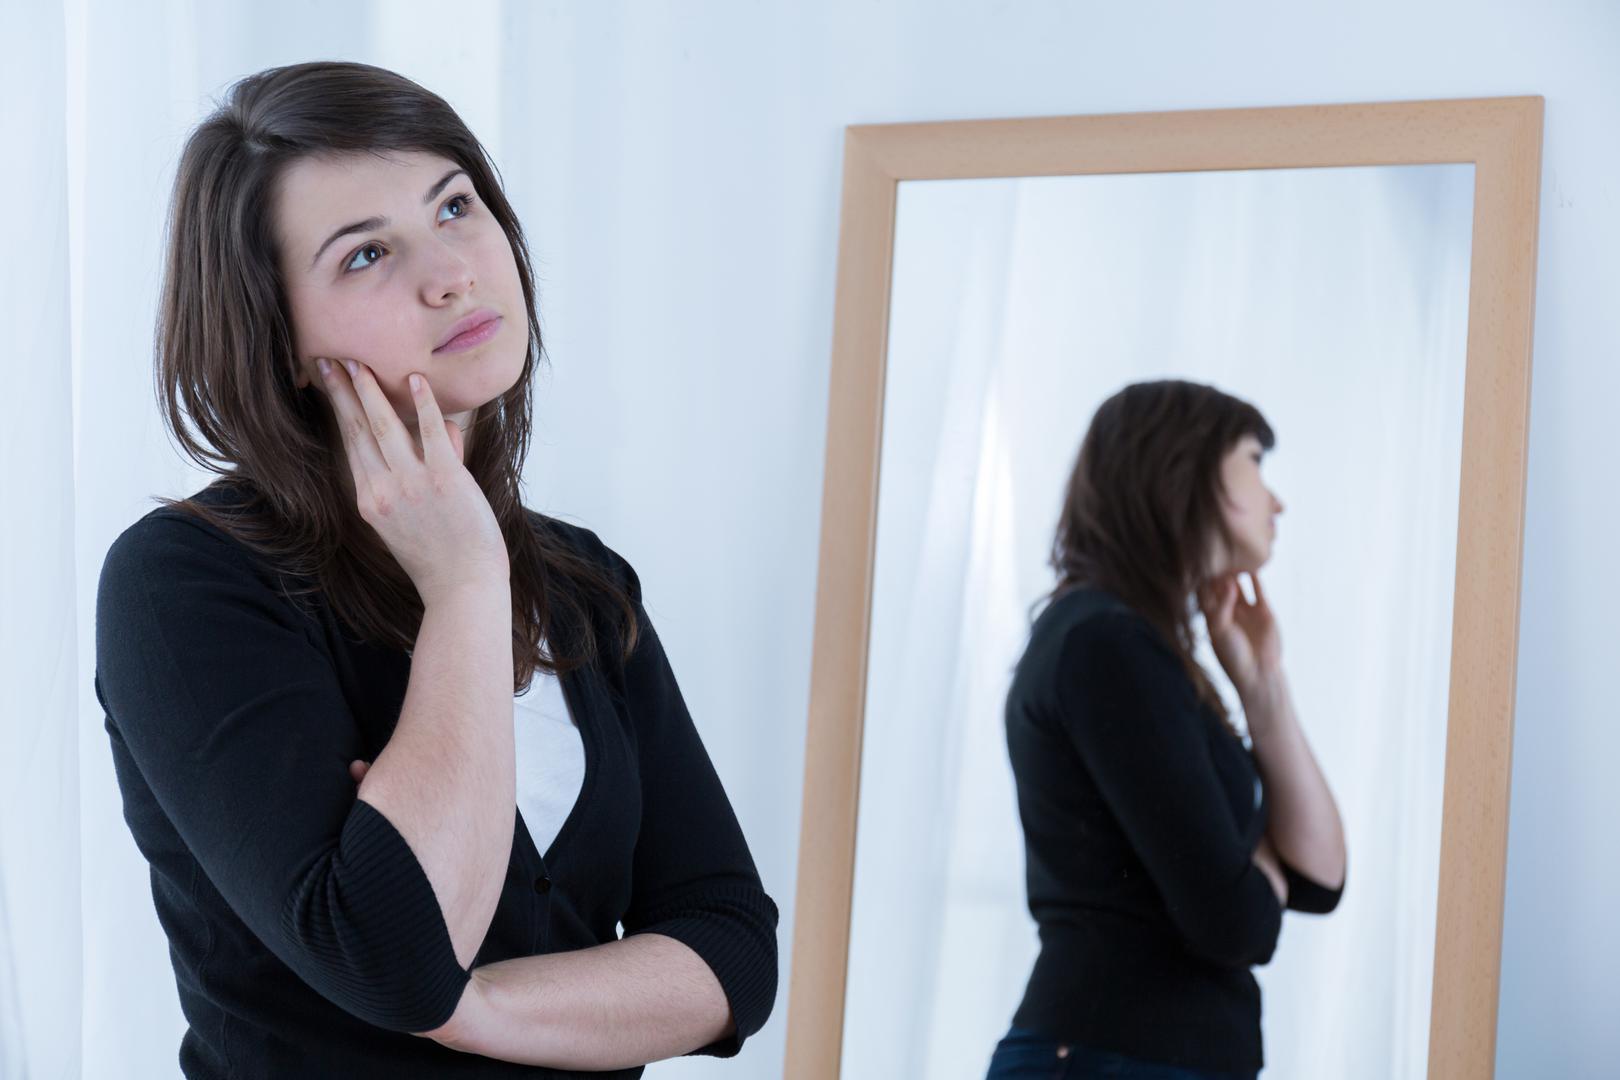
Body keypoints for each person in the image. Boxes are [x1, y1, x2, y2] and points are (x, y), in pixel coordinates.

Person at [93, 60, 777, 1079]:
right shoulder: (184, 583)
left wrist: (477, 1009)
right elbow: (386, 953)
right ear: (276, 337)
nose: (450, 270)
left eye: (454, 205)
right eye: (366, 253)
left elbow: (731, 947)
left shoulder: (582, 583)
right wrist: (463, 590)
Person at [986, 380, 1347, 1080]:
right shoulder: (1104, 645)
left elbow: (1320, 877)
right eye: (1254, 460)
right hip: (1108, 1058)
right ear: (1187, 466)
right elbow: (1237, 922)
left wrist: (1262, 689)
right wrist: (1255, 874)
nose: (1278, 500)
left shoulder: (1136, 648)